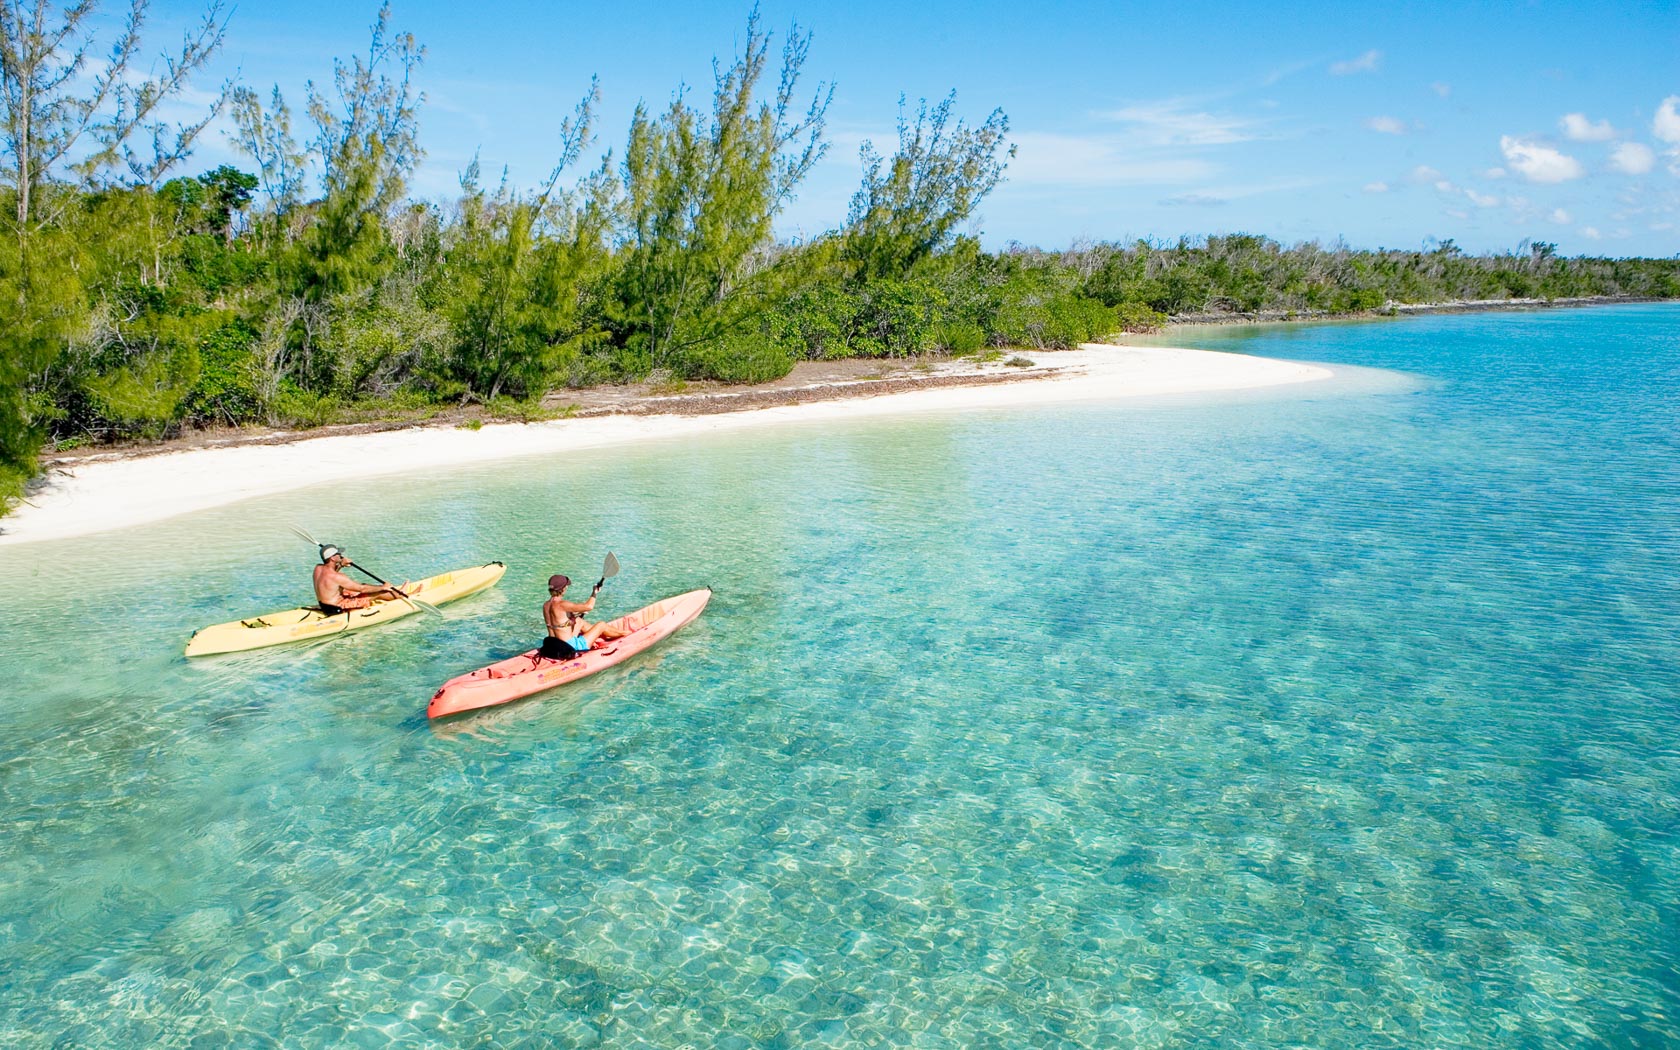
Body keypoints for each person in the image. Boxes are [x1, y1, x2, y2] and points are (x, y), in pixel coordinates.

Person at [538, 573, 628, 660]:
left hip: (555, 644)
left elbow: (558, 622)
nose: (567, 587)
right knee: (601, 625)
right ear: (563, 588)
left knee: (579, 621)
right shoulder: (562, 604)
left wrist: (574, 617)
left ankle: (598, 637)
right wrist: (594, 593)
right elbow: (589, 607)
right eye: (566, 586)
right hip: (571, 647)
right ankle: (625, 634)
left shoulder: (546, 605)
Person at [313, 546, 407, 615]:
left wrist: (341, 565)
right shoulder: (339, 577)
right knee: (378, 591)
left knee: (354, 589)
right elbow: (361, 589)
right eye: (338, 554)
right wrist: (383, 587)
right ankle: (401, 596)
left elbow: (330, 577)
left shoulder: (318, 568)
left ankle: (395, 594)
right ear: (332, 558)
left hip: (325, 606)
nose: (341, 556)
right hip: (338, 608)